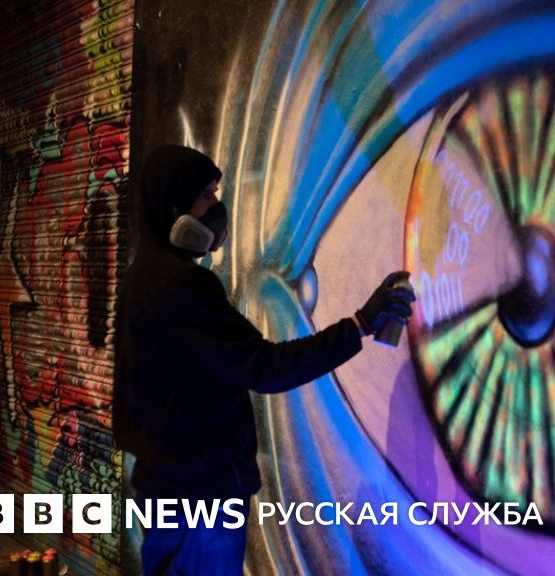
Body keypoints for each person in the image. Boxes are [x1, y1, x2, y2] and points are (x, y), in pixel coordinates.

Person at [111, 144, 415, 575]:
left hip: (166, 488)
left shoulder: (143, 276)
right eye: (206, 196)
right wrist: (360, 324)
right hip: (199, 499)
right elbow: (265, 367)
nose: (218, 208)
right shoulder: (182, 286)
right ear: (175, 208)